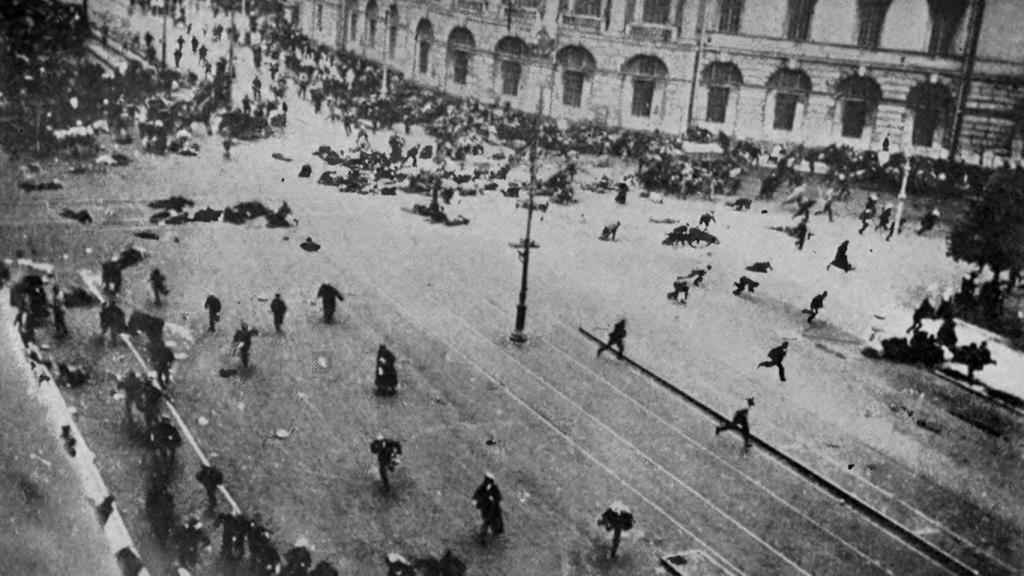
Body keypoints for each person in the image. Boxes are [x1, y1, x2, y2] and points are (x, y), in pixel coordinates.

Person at [473, 473, 504, 544]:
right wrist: (476, 499)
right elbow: (477, 493)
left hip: (494, 509)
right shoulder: (483, 487)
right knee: (486, 523)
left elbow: (499, 497)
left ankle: (496, 532)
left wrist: (493, 499)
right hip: (487, 510)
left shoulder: (494, 488)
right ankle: (482, 538)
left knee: (495, 522)